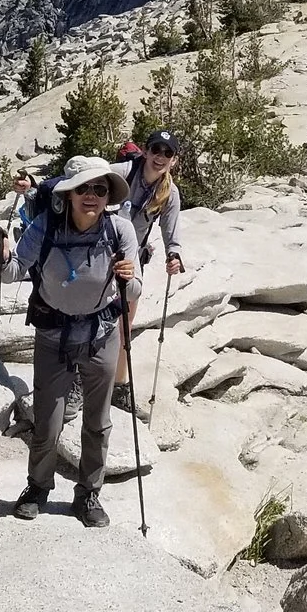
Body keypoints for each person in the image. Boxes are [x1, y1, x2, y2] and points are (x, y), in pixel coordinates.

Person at [0, 155, 141, 528]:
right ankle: (37, 487)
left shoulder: (121, 231)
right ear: (68, 193)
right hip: (52, 335)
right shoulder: (46, 226)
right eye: (84, 188)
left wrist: (129, 276)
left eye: (100, 189)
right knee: (48, 421)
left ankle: (88, 493)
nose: (92, 195)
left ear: (109, 194)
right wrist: (0, 254)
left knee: (98, 421)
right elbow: (15, 270)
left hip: (101, 334)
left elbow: (135, 287)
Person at [112, 130, 186, 416]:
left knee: (124, 325)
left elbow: (171, 229)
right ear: (145, 151)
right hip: (98, 255)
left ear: (174, 160)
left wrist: (174, 254)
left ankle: (118, 385)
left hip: (133, 261)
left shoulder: (169, 193)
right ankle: (83, 379)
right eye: (156, 149)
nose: (160, 157)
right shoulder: (121, 173)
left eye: (168, 153)